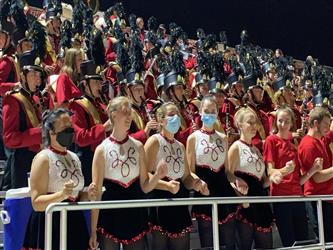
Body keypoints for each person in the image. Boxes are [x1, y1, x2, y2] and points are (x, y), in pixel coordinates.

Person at [89, 96, 168, 250]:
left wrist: (157, 175)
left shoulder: (138, 147)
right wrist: (92, 230)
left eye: (130, 112)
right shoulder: (102, 149)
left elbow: (145, 186)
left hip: (135, 212)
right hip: (109, 215)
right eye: (125, 112)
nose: (129, 117)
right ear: (113, 114)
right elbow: (96, 194)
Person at [144, 102, 209, 250]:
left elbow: (186, 176)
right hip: (159, 200)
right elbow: (145, 175)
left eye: (177, 115)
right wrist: (166, 185)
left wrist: (197, 183)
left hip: (178, 200)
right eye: (171, 115)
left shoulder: (180, 145)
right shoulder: (154, 141)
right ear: (161, 120)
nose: (175, 118)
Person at [22, 108, 90, 249]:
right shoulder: (43, 158)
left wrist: (88, 194)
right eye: (65, 127)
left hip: (75, 222)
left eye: (70, 126)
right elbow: (36, 203)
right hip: (50, 223)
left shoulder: (75, 157)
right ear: (52, 132)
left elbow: (76, 196)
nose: (70, 130)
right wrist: (62, 195)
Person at [187, 96, 240, 250]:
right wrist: (198, 183)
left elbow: (228, 171)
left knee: (228, 235)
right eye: (206, 111)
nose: (209, 114)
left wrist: (236, 181)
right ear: (200, 113)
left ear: (217, 113)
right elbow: (190, 171)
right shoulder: (193, 138)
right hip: (204, 190)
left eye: (213, 111)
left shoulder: (223, 138)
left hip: (223, 189)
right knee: (207, 237)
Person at [263, 107, 321, 246]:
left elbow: (298, 180)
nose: (283, 125)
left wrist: (313, 170)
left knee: (304, 241)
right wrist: (284, 170)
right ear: (276, 122)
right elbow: (270, 171)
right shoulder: (271, 140)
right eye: (280, 121)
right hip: (281, 198)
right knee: (289, 243)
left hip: (297, 197)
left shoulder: (294, 144)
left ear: (291, 123)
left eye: (286, 121)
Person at [228, 107, 275, 250]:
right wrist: (241, 197)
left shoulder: (256, 150)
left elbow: (264, 181)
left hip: (261, 201)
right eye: (250, 123)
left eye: (255, 123)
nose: (254, 126)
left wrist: (280, 174)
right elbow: (228, 175)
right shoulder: (235, 147)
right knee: (245, 245)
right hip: (245, 204)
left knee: (266, 245)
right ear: (240, 125)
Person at [2, 50, 43, 190]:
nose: (38, 79)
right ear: (22, 77)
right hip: (20, 164)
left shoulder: (36, 99)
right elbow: (9, 138)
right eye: (33, 75)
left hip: (36, 160)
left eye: (39, 75)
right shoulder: (13, 99)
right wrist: (40, 133)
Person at [69, 60, 111, 184]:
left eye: (100, 82)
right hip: (88, 160)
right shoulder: (77, 105)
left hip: (104, 157)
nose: (99, 86)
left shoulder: (101, 105)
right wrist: (104, 128)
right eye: (95, 82)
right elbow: (80, 137)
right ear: (85, 85)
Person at [298, 106, 333, 242]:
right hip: (319, 200)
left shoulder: (319, 142)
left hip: (326, 199)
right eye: (325, 124)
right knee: (325, 241)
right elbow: (317, 178)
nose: (328, 127)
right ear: (315, 123)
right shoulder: (308, 144)